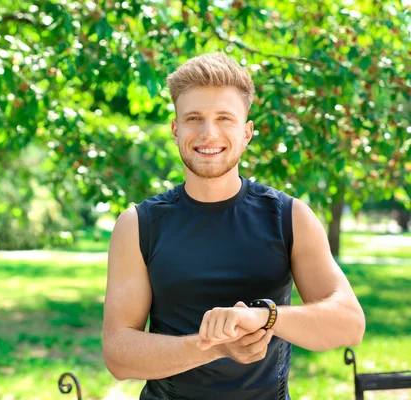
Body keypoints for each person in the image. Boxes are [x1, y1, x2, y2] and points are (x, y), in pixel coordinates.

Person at [102, 52, 365, 399]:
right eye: (194, 118)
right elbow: (119, 354)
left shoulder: (289, 216)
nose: (208, 133)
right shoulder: (139, 224)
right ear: (176, 129)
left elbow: (349, 323)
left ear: (246, 132)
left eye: (224, 118)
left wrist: (265, 317)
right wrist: (213, 346)